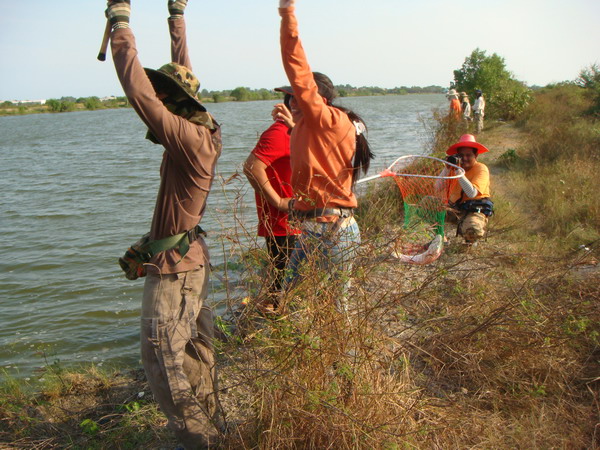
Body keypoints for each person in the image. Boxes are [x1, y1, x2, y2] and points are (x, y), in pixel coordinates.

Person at [106, 0, 225, 447]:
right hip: (188, 259)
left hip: (176, 271)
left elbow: (139, 93)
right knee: (194, 353)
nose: (158, 104)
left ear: (174, 104)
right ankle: (212, 427)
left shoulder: (188, 137)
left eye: (165, 97)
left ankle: (199, 441)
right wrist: (177, 17)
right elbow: (183, 72)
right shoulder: (202, 128)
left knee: (161, 359)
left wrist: (121, 24)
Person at [277, 0, 374, 310]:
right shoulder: (326, 124)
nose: (291, 98)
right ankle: (323, 356)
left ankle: (334, 357)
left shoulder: (325, 117)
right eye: (288, 95)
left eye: (295, 94)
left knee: (327, 309)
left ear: (317, 98)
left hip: (329, 231)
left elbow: (297, 66)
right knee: (299, 301)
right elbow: (319, 154)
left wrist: (287, 14)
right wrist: (293, 126)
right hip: (323, 228)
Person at [243, 94, 298, 311]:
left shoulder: (296, 131)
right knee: (281, 282)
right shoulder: (279, 132)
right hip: (283, 222)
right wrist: (277, 201)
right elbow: (251, 167)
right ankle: (274, 326)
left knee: (287, 280)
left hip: (298, 220)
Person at [445, 134, 493, 245]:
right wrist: (447, 168)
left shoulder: (481, 169)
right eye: (461, 156)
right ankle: (440, 237)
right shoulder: (455, 168)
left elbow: (472, 193)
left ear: (476, 155)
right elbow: (437, 187)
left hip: (475, 210)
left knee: (473, 230)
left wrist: (458, 172)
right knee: (428, 204)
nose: (464, 159)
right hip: (457, 209)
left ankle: (470, 241)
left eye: (468, 155)